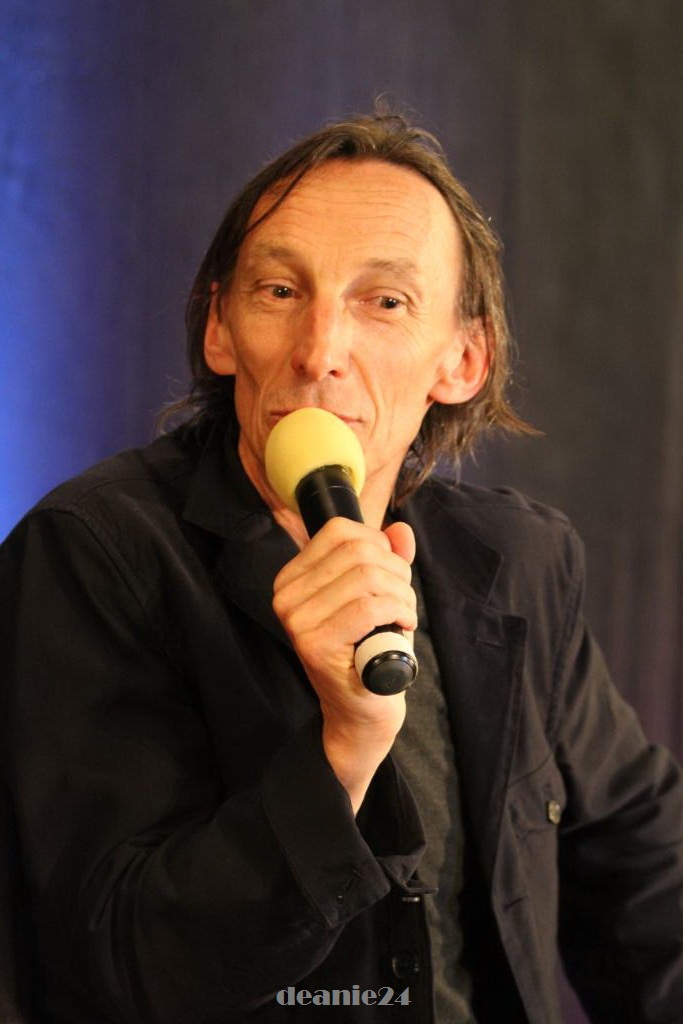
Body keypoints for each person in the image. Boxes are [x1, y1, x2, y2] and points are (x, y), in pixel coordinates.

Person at [1, 113, 682, 1024]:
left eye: (384, 302)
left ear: (463, 359)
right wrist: (343, 752)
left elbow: (647, 888)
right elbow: (116, 967)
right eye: (279, 290)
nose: (318, 351)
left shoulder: (516, 561)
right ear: (219, 329)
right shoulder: (95, 552)